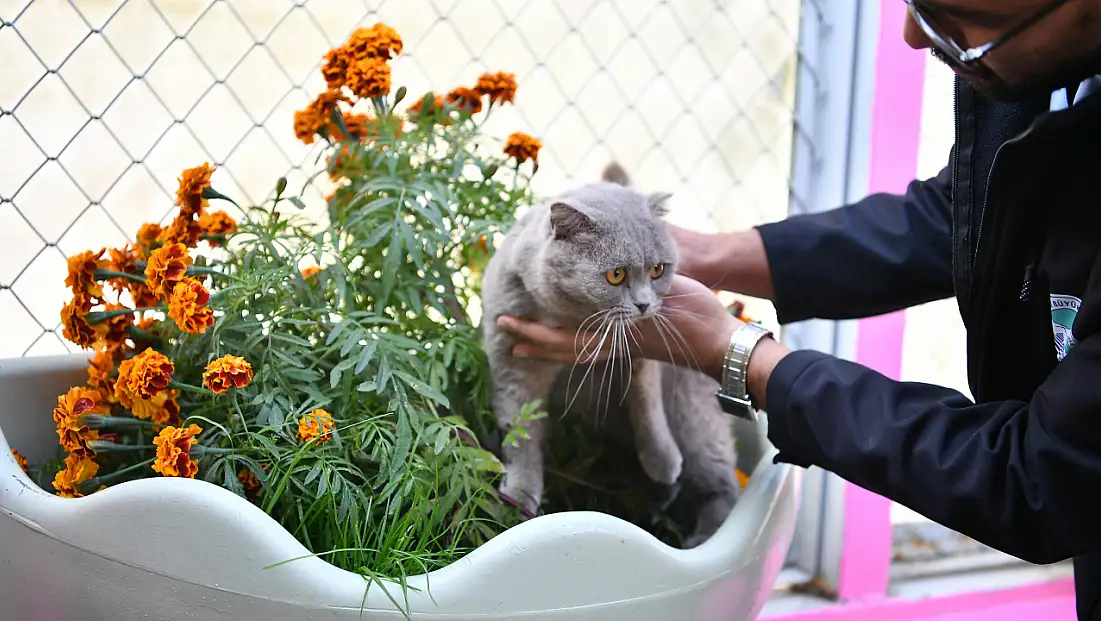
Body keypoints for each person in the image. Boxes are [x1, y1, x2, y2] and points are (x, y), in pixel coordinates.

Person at [495, 1, 1101, 618]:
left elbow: (1040, 476)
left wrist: (742, 357)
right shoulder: (1048, 65)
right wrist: (710, 254)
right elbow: (964, 216)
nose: (913, 36)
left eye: (950, 14)